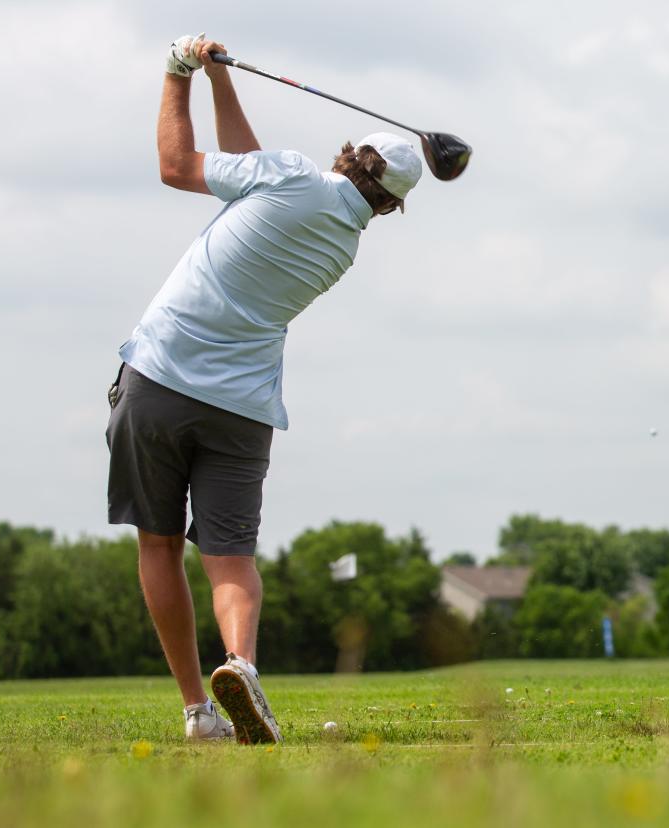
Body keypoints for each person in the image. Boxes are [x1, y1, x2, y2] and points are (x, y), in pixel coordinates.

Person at [105, 34, 422, 744]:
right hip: (241, 409)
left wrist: (178, 72)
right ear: (389, 205)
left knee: (158, 546)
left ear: (347, 156)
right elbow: (252, 165)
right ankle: (240, 664)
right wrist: (223, 83)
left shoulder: (289, 177)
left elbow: (175, 166)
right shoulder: (342, 243)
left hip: (158, 378)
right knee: (231, 559)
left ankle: (197, 713)